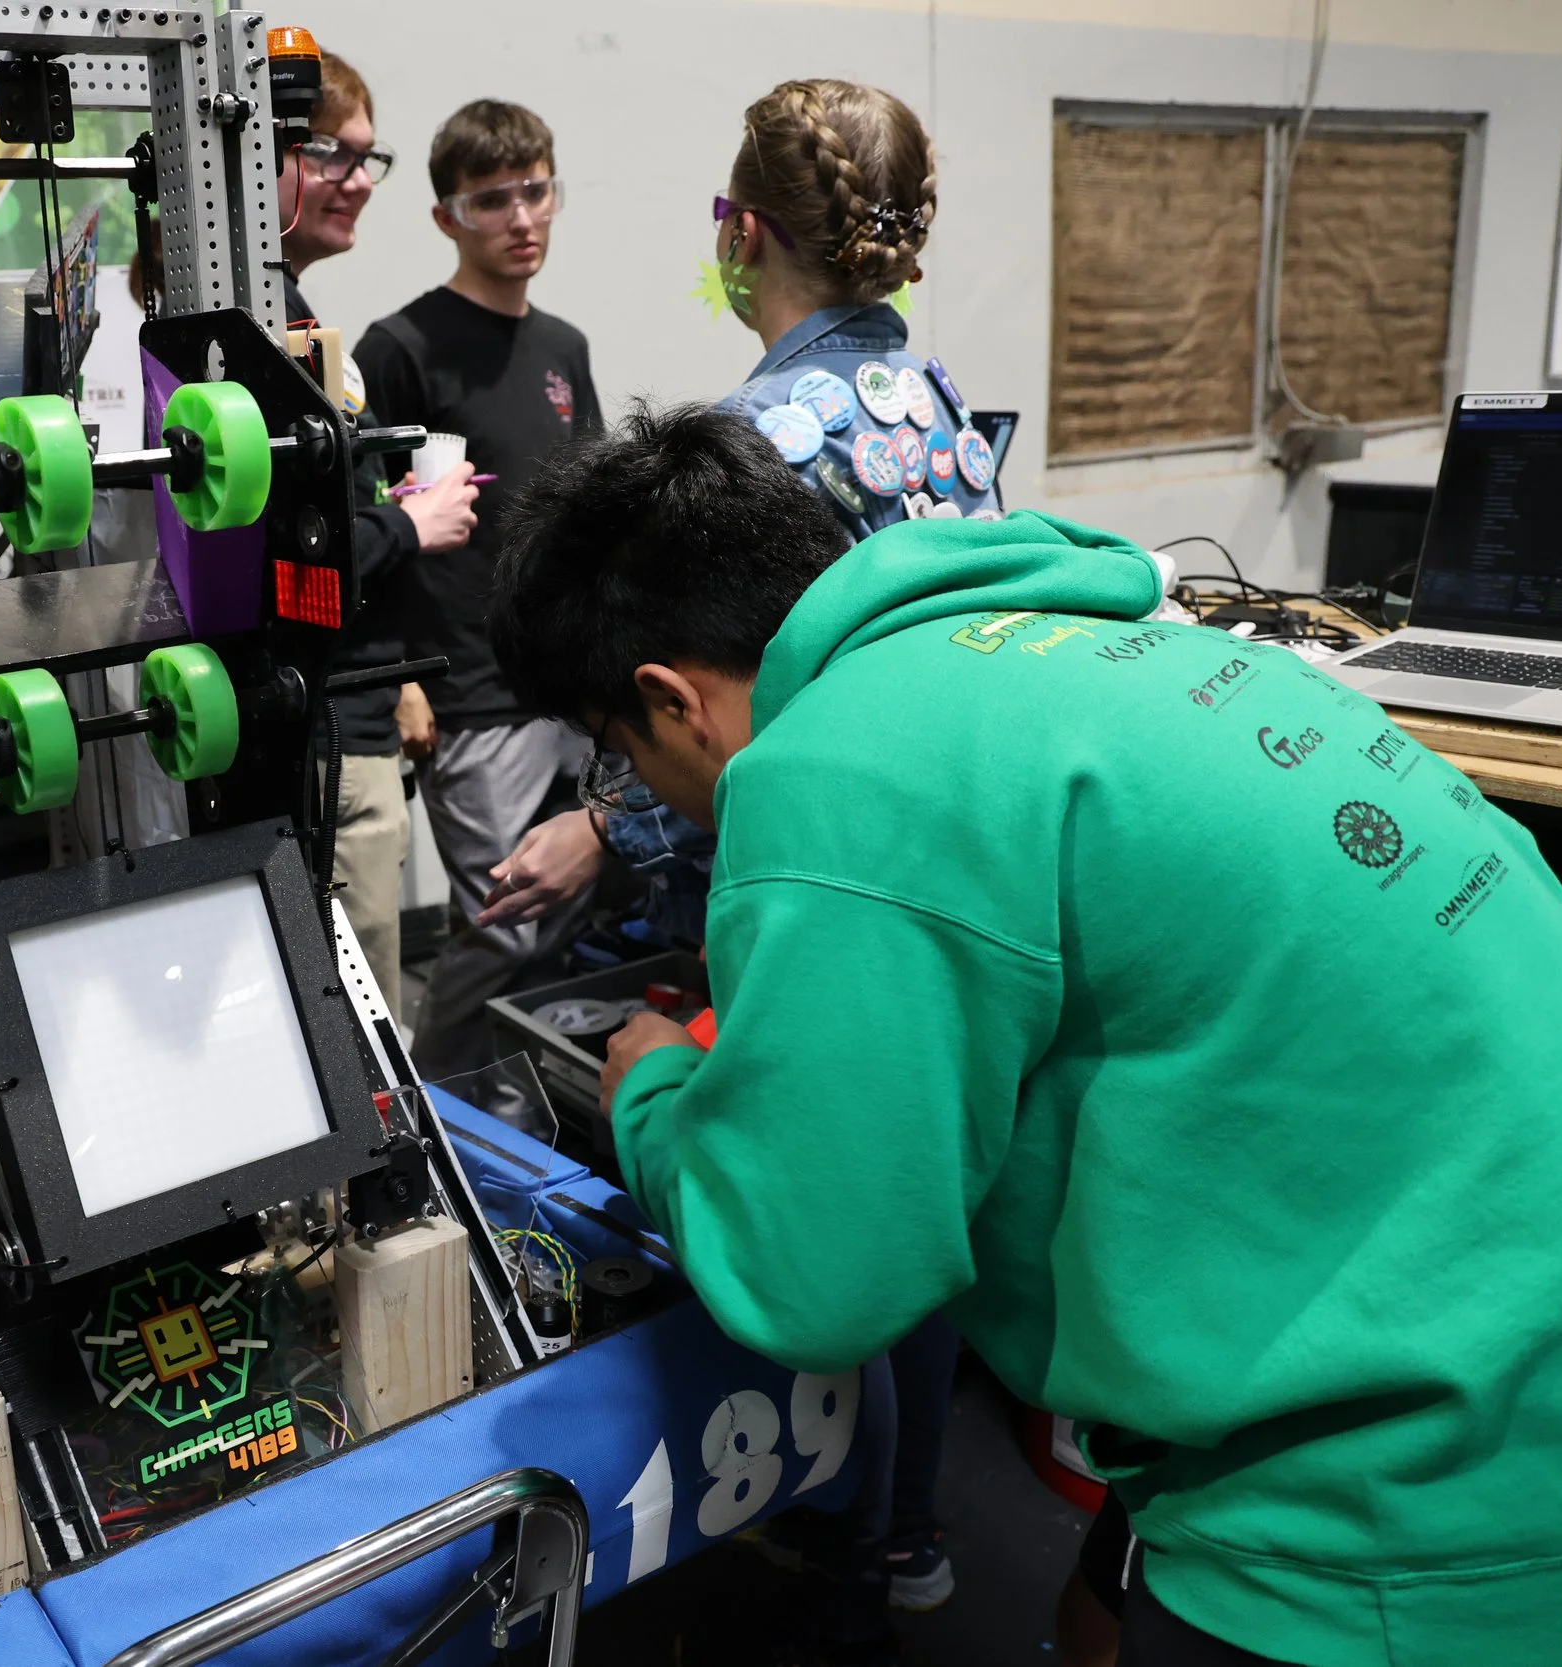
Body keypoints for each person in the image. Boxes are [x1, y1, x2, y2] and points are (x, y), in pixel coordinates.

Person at [489, 403, 1562, 1667]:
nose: (638, 793)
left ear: (666, 696)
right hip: (1561, 1322)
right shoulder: (1102, 631)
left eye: (618, 759)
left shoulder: (835, 763)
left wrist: (654, 1093)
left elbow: (814, 1276)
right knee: (1089, 1620)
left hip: (1436, 1497)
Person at [478, 79, 974, 1638]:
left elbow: (692, 702)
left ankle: (804, 1516)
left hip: (783, 865)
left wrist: (599, 826)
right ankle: (908, 1528)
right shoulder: (940, 406)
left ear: (737, 231)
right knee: (922, 1183)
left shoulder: (755, 434)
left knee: (794, 1193)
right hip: (937, 855)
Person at [353, 99, 601, 1081]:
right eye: (491, 200)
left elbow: (579, 518)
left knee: (585, 899)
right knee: (504, 919)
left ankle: (520, 1094)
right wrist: (404, 677)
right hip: (469, 691)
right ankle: (440, 1106)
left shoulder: (564, 348)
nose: (520, 217)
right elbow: (376, 526)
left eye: (534, 190)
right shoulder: (400, 348)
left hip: (571, 685)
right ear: (447, 216)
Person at [273, 51, 479, 1017]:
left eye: (368, 159)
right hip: (320, 745)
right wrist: (407, 522)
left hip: (343, 722)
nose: (358, 181)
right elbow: (284, 562)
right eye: (332, 155)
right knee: (367, 1042)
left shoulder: (295, 322)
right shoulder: (260, 329)